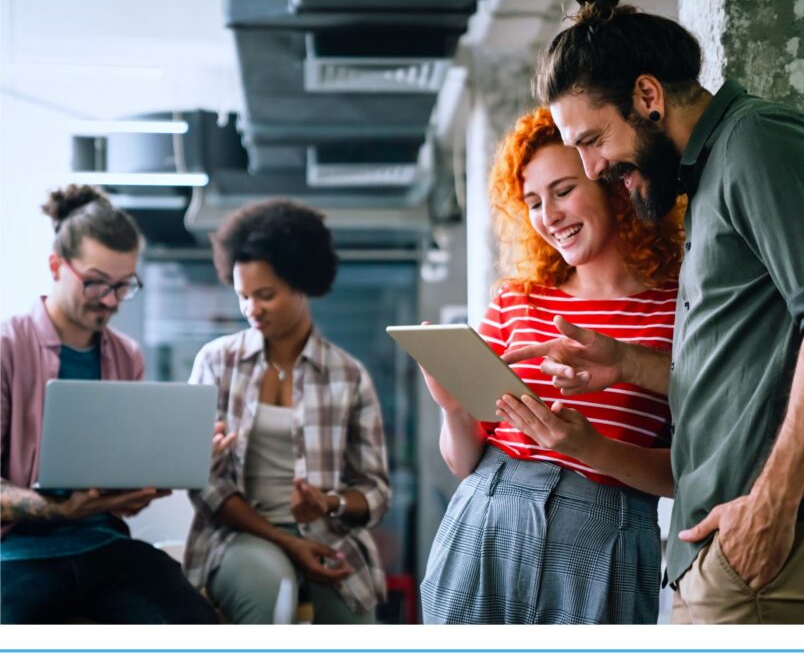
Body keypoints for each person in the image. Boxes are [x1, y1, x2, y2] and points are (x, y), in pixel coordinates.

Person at [504, 0, 804, 625]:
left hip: (775, 540)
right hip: (732, 545)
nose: (593, 169)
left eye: (593, 141)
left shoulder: (760, 142)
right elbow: (747, 368)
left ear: (648, 96)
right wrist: (624, 363)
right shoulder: (711, 177)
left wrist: (771, 503)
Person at [418, 107, 684, 624]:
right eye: (535, 202)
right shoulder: (517, 300)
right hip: (485, 521)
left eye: (563, 191)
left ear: (612, 182)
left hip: (605, 537)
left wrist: (593, 449)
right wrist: (452, 409)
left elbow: (689, 473)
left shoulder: (677, 305)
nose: (549, 216)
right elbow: (462, 461)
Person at [0, 185, 218, 624]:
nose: (111, 300)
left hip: (105, 545)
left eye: (124, 286)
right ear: (56, 266)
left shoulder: (126, 355)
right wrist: (59, 509)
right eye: (97, 282)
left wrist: (143, 486)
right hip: (17, 552)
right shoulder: (9, 347)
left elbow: (119, 486)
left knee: (199, 631)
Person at [182, 198, 391, 624]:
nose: (251, 310)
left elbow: (375, 492)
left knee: (354, 619)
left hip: (331, 536)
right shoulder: (216, 364)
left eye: (265, 295)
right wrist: (286, 541)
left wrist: (329, 503)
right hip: (240, 535)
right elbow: (203, 482)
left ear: (302, 285)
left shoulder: (348, 377)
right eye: (242, 296)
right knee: (269, 585)